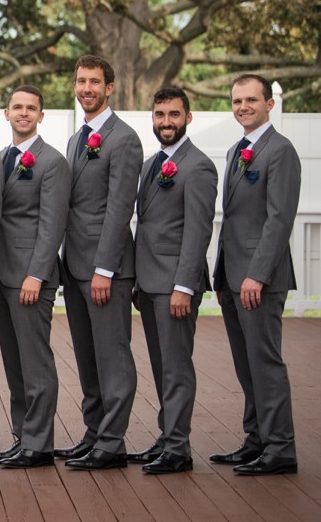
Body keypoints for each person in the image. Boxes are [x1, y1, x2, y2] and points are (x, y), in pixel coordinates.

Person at [56, 55, 142, 471]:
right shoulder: (77, 138)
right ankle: (94, 432)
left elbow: (119, 208)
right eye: (81, 81)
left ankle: (112, 442)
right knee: (87, 356)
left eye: (95, 82)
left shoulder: (123, 139)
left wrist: (104, 269)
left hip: (105, 269)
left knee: (113, 356)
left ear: (110, 87)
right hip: (75, 265)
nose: (87, 88)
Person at [211, 74, 300, 476]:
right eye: (237, 101)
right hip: (232, 276)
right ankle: (256, 439)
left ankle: (280, 447)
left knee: (265, 362)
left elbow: (279, 220)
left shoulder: (280, 151)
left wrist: (257, 275)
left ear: (270, 104)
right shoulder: (236, 150)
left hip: (258, 280)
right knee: (246, 364)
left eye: (251, 100)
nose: (243, 107)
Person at [129, 87, 217, 475]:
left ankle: (178, 448)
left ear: (188, 117)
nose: (166, 122)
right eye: (160, 114)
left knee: (177, 367)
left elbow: (198, 232)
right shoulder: (151, 164)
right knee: (163, 365)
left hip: (175, 286)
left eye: (174, 115)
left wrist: (184, 285)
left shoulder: (197, 166)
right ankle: (167, 438)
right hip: (148, 283)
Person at [0, 86, 69, 469]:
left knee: (35, 362)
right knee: (14, 362)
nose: (23, 113)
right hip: (1, 277)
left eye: (30, 108)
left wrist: (36, 274)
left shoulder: (51, 162)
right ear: (6, 114)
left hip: (31, 278)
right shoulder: (0, 158)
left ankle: (40, 444)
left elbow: (52, 226)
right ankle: (23, 437)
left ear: (41, 114)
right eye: (17, 107)